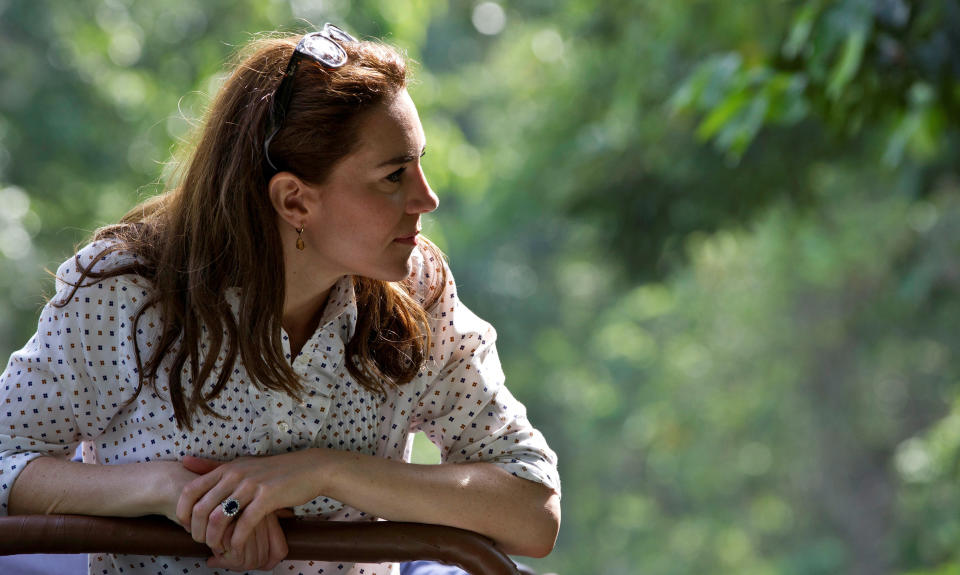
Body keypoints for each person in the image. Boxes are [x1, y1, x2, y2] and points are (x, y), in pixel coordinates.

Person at [0, 24, 561, 575]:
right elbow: (6, 460)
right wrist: (165, 490)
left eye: (419, 162)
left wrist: (327, 472)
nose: (428, 197)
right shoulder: (126, 293)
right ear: (294, 201)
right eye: (394, 175)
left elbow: (534, 510)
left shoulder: (417, 292)